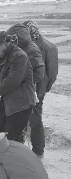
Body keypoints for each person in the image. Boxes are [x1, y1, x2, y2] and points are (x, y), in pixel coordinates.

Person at [0, 31, 36, 142]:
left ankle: (17, 158)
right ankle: (3, 159)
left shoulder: (19, 56)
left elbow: (13, 80)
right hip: (5, 104)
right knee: (0, 136)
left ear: (5, 43)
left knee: (12, 140)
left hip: (20, 104)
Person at [23, 20, 59, 158]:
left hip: (38, 87)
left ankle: (38, 150)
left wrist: (43, 90)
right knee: (26, 117)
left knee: (35, 118)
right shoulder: (24, 45)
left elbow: (52, 73)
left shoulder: (49, 47)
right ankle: (32, 150)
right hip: (26, 87)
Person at [5, 23, 45, 144]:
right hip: (19, 91)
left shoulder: (31, 48)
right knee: (18, 123)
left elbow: (40, 72)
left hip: (29, 91)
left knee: (29, 121)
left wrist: (25, 81)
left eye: (12, 38)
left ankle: (33, 151)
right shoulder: (18, 48)